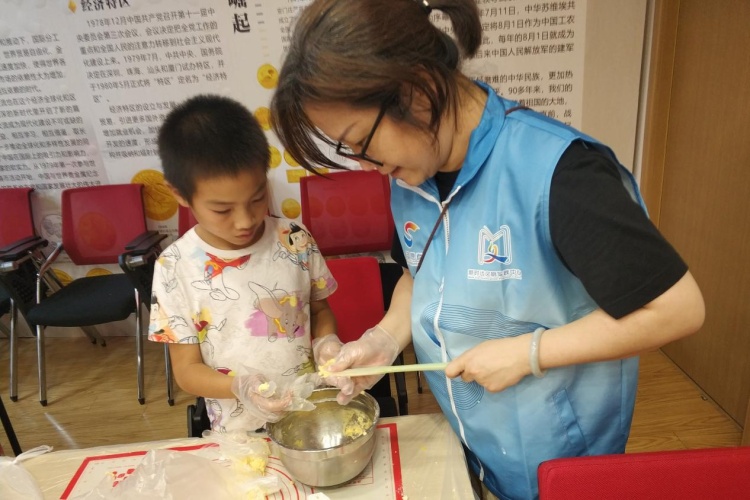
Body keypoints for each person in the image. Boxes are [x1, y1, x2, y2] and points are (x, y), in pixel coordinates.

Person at [269, 1, 705, 499]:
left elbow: (677, 308)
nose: (366, 166)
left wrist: (530, 353)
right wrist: (383, 341)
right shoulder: (411, 173)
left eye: (360, 142)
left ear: (415, 89)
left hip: (563, 461)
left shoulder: (560, 173)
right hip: (477, 442)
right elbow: (420, 272)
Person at [149, 94, 339, 433]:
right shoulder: (173, 267)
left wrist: (327, 343)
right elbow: (187, 371)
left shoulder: (294, 238)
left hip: (307, 409)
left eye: (257, 198)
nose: (245, 221)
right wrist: (240, 387)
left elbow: (320, 310)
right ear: (179, 194)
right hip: (238, 429)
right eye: (222, 210)